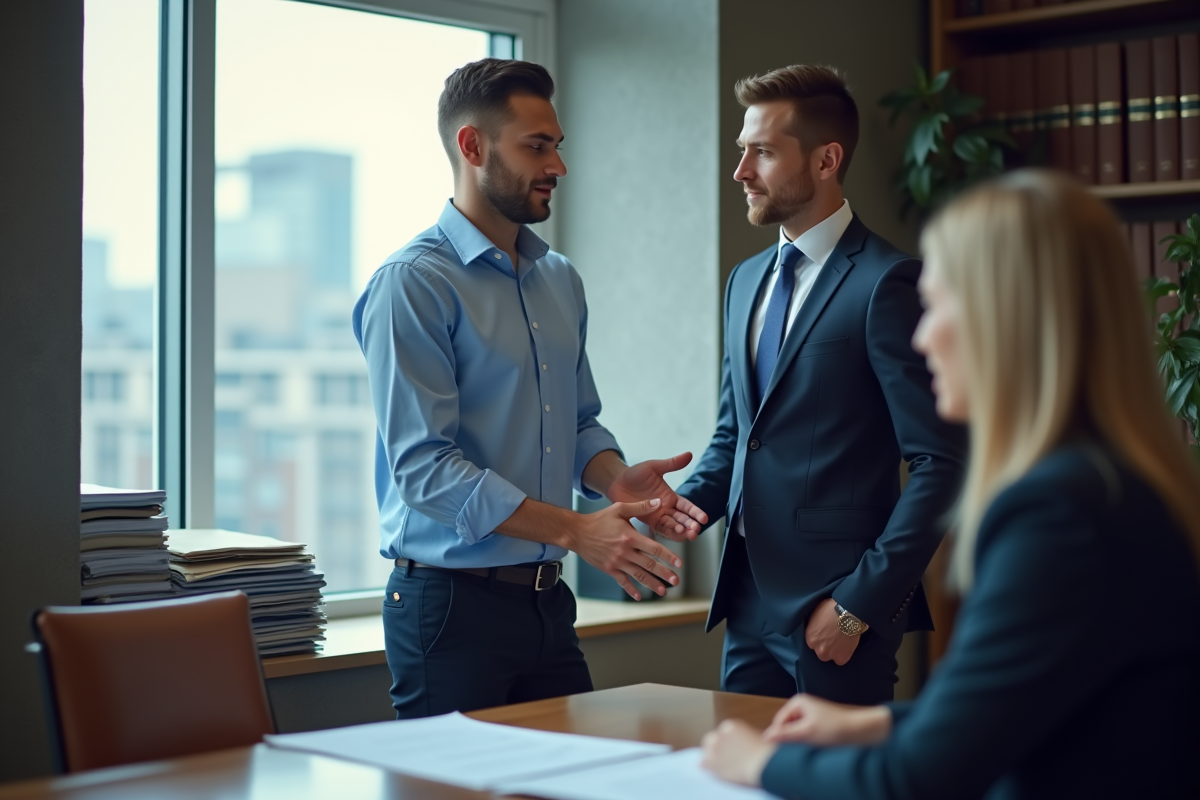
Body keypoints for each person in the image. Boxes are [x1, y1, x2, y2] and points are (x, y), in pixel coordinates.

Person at [700, 169, 1200, 799]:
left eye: (938, 307)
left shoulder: (1057, 515)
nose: (920, 335)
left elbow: (920, 778)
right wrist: (878, 723)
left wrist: (758, 764)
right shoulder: (1116, 484)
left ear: (1009, 320)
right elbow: (1015, 708)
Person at [352, 58, 708, 719]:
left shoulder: (559, 280)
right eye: (536, 146)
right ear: (472, 145)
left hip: (547, 603)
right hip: (449, 607)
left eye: (557, 146)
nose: (558, 167)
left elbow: (576, 425)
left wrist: (614, 480)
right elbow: (425, 471)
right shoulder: (413, 285)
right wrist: (578, 529)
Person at [669, 64, 965, 704]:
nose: (741, 170)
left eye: (763, 152)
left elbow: (941, 463)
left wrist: (858, 606)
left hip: (837, 614)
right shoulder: (744, 281)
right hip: (745, 603)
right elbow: (738, 437)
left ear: (827, 159)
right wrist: (680, 507)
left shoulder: (889, 282)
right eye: (741, 150)